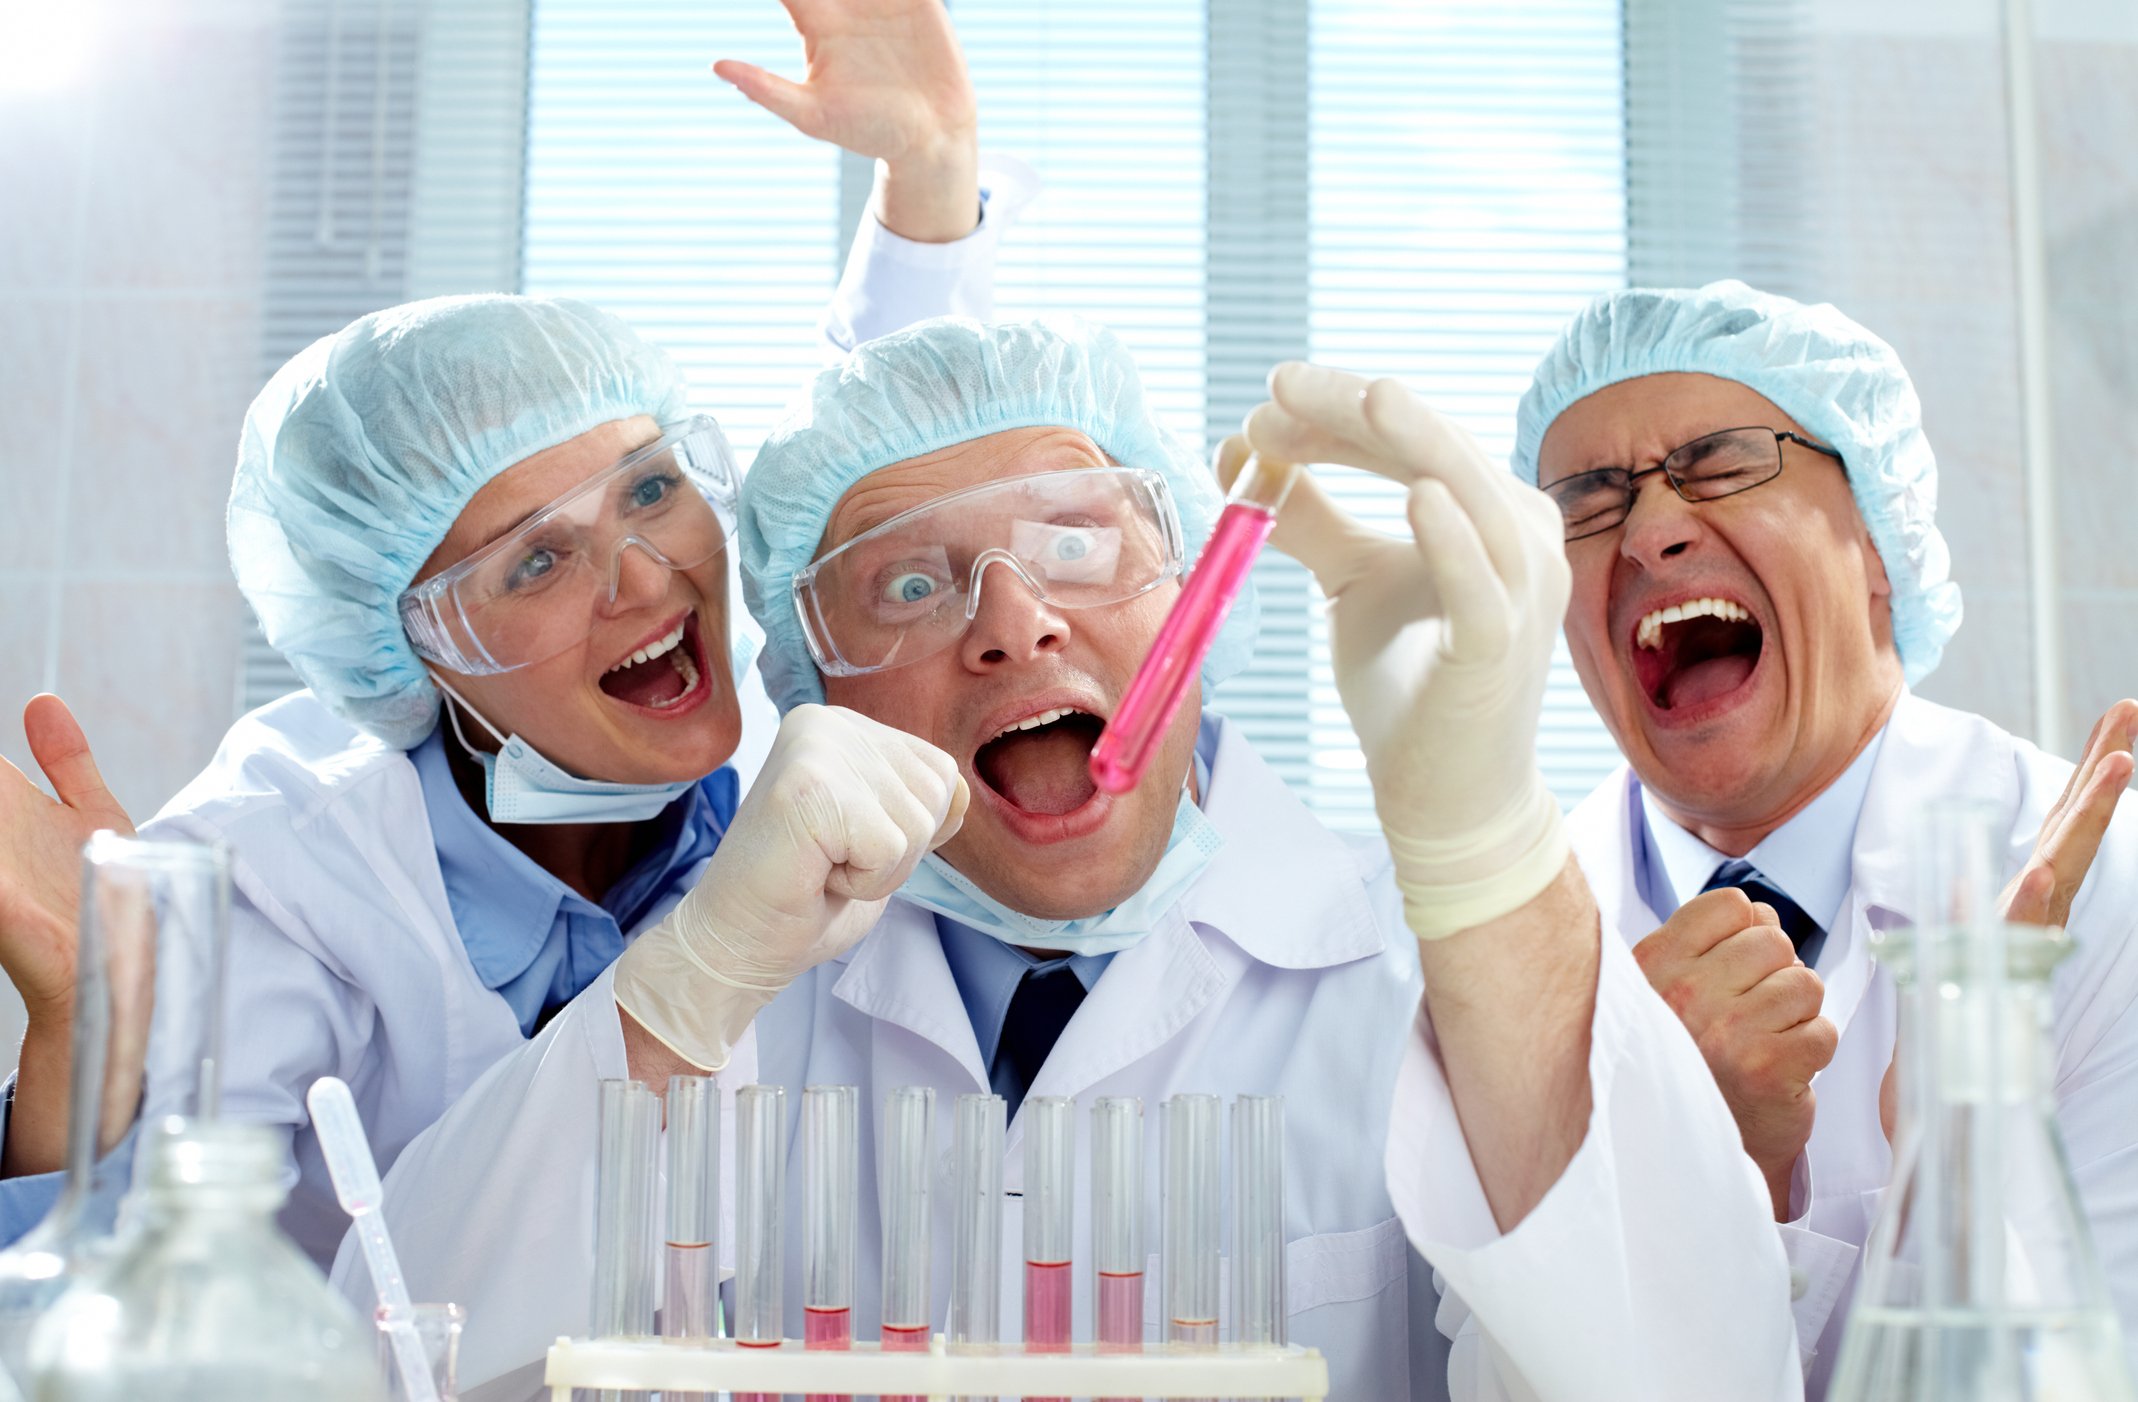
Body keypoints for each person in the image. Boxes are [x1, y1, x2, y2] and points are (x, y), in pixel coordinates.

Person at [343, 315, 1800, 1401]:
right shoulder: (726, 1008)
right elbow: (377, 1353)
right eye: (909, 582)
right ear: (816, 690)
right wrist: (698, 976)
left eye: (1078, 545)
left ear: (1192, 607)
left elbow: (1694, 1371)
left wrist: (1484, 842)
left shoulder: (1443, 971)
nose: (1012, 622)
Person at [0, 0, 1028, 1263]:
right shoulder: (281, 881)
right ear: (406, 645)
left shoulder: (782, 759)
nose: (644, 577)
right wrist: (83, 1039)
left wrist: (927, 174)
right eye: (536, 557)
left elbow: (879, 499)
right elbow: (139, 1305)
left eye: (653, 488)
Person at [1512, 279, 2138, 1394]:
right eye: (1588, 500)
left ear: (1877, 546)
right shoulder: (1497, 962)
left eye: (1720, 459)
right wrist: (1690, 1161)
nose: (1650, 529)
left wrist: (1959, 1145)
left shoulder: (2100, 895)